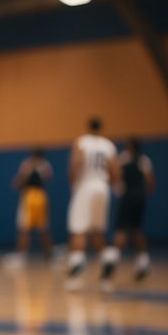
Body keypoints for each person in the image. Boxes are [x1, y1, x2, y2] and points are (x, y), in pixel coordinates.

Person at [66, 117, 120, 289]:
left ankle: (77, 265)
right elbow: (115, 170)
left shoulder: (81, 142)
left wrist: (73, 180)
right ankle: (106, 262)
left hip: (85, 185)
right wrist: (109, 183)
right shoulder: (108, 145)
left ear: (87, 127)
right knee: (98, 230)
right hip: (102, 187)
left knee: (79, 229)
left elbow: (76, 163)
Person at [111, 138, 155, 282]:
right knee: (137, 229)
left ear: (129, 148)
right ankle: (144, 262)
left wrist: (119, 189)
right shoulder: (144, 161)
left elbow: (116, 176)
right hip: (139, 198)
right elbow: (150, 182)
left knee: (121, 230)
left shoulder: (123, 159)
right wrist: (143, 193)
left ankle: (111, 263)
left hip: (128, 197)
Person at [9, 148, 53, 265]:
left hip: (30, 196)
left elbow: (20, 179)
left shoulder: (28, 164)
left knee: (24, 227)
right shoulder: (45, 164)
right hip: (41, 196)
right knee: (43, 227)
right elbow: (48, 176)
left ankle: (21, 256)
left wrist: (18, 181)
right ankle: (49, 254)